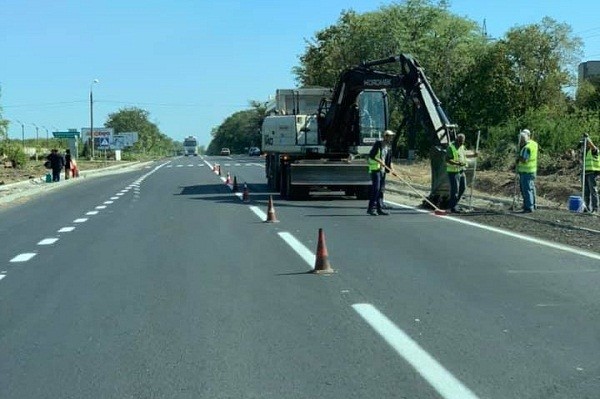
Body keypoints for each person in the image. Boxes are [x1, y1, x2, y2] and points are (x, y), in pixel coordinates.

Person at [366, 130, 395, 216]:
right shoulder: (378, 144)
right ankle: (370, 208)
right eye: (389, 136)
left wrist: (392, 170)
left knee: (381, 190)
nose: (390, 138)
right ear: (385, 136)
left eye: (391, 136)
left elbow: (389, 160)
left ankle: (379, 209)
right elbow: (371, 155)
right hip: (375, 169)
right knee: (376, 189)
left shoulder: (388, 147)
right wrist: (380, 161)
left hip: (382, 170)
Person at [516, 129, 538, 213]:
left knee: (527, 190)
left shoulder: (526, 148)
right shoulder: (534, 144)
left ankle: (528, 207)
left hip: (526, 172)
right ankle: (533, 205)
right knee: (531, 189)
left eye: (521, 140)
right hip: (532, 170)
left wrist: (518, 157)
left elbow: (524, 160)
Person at [446, 133, 468, 213]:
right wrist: (457, 163)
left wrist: (474, 155)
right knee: (455, 190)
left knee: (463, 188)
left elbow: (465, 155)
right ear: (456, 139)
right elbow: (447, 159)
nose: (461, 143)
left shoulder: (462, 147)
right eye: (460, 141)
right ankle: (452, 207)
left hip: (461, 170)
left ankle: (455, 204)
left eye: (462, 142)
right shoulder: (451, 147)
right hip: (453, 172)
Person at [582, 133, 600, 213]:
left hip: (593, 173)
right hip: (585, 173)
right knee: (586, 192)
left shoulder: (594, 150)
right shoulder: (585, 152)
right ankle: (586, 208)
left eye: (585, 143)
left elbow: (592, 145)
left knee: (593, 191)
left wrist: (587, 138)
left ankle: (595, 209)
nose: (584, 145)